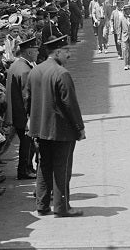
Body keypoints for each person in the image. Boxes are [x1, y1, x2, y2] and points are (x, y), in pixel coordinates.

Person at [26, 35, 85, 218]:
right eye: (66, 51)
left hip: (40, 129)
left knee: (44, 166)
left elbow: (28, 100)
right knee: (62, 168)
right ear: (57, 52)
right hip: (60, 130)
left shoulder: (35, 71)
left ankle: (42, 205)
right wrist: (79, 127)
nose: (69, 55)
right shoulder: (62, 74)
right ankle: (62, 206)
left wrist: (32, 123)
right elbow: (70, 105)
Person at [5, 37, 38, 181]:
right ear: (29, 52)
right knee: (27, 144)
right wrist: (29, 117)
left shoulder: (17, 65)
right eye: (36, 50)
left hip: (16, 112)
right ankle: (25, 169)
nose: (37, 53)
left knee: (26, 143)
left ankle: (26, 168)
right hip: (23, 115)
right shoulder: (25, 70)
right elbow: (27, 97)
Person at [119, 5, 130, 71]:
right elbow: (119, 29)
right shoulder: (121, 18)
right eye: (126, 10)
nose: (128, 11)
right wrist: (118, 38)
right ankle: (126, 64)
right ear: (124, 11)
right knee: (124, 50)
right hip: (124, 36)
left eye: (129, 9)